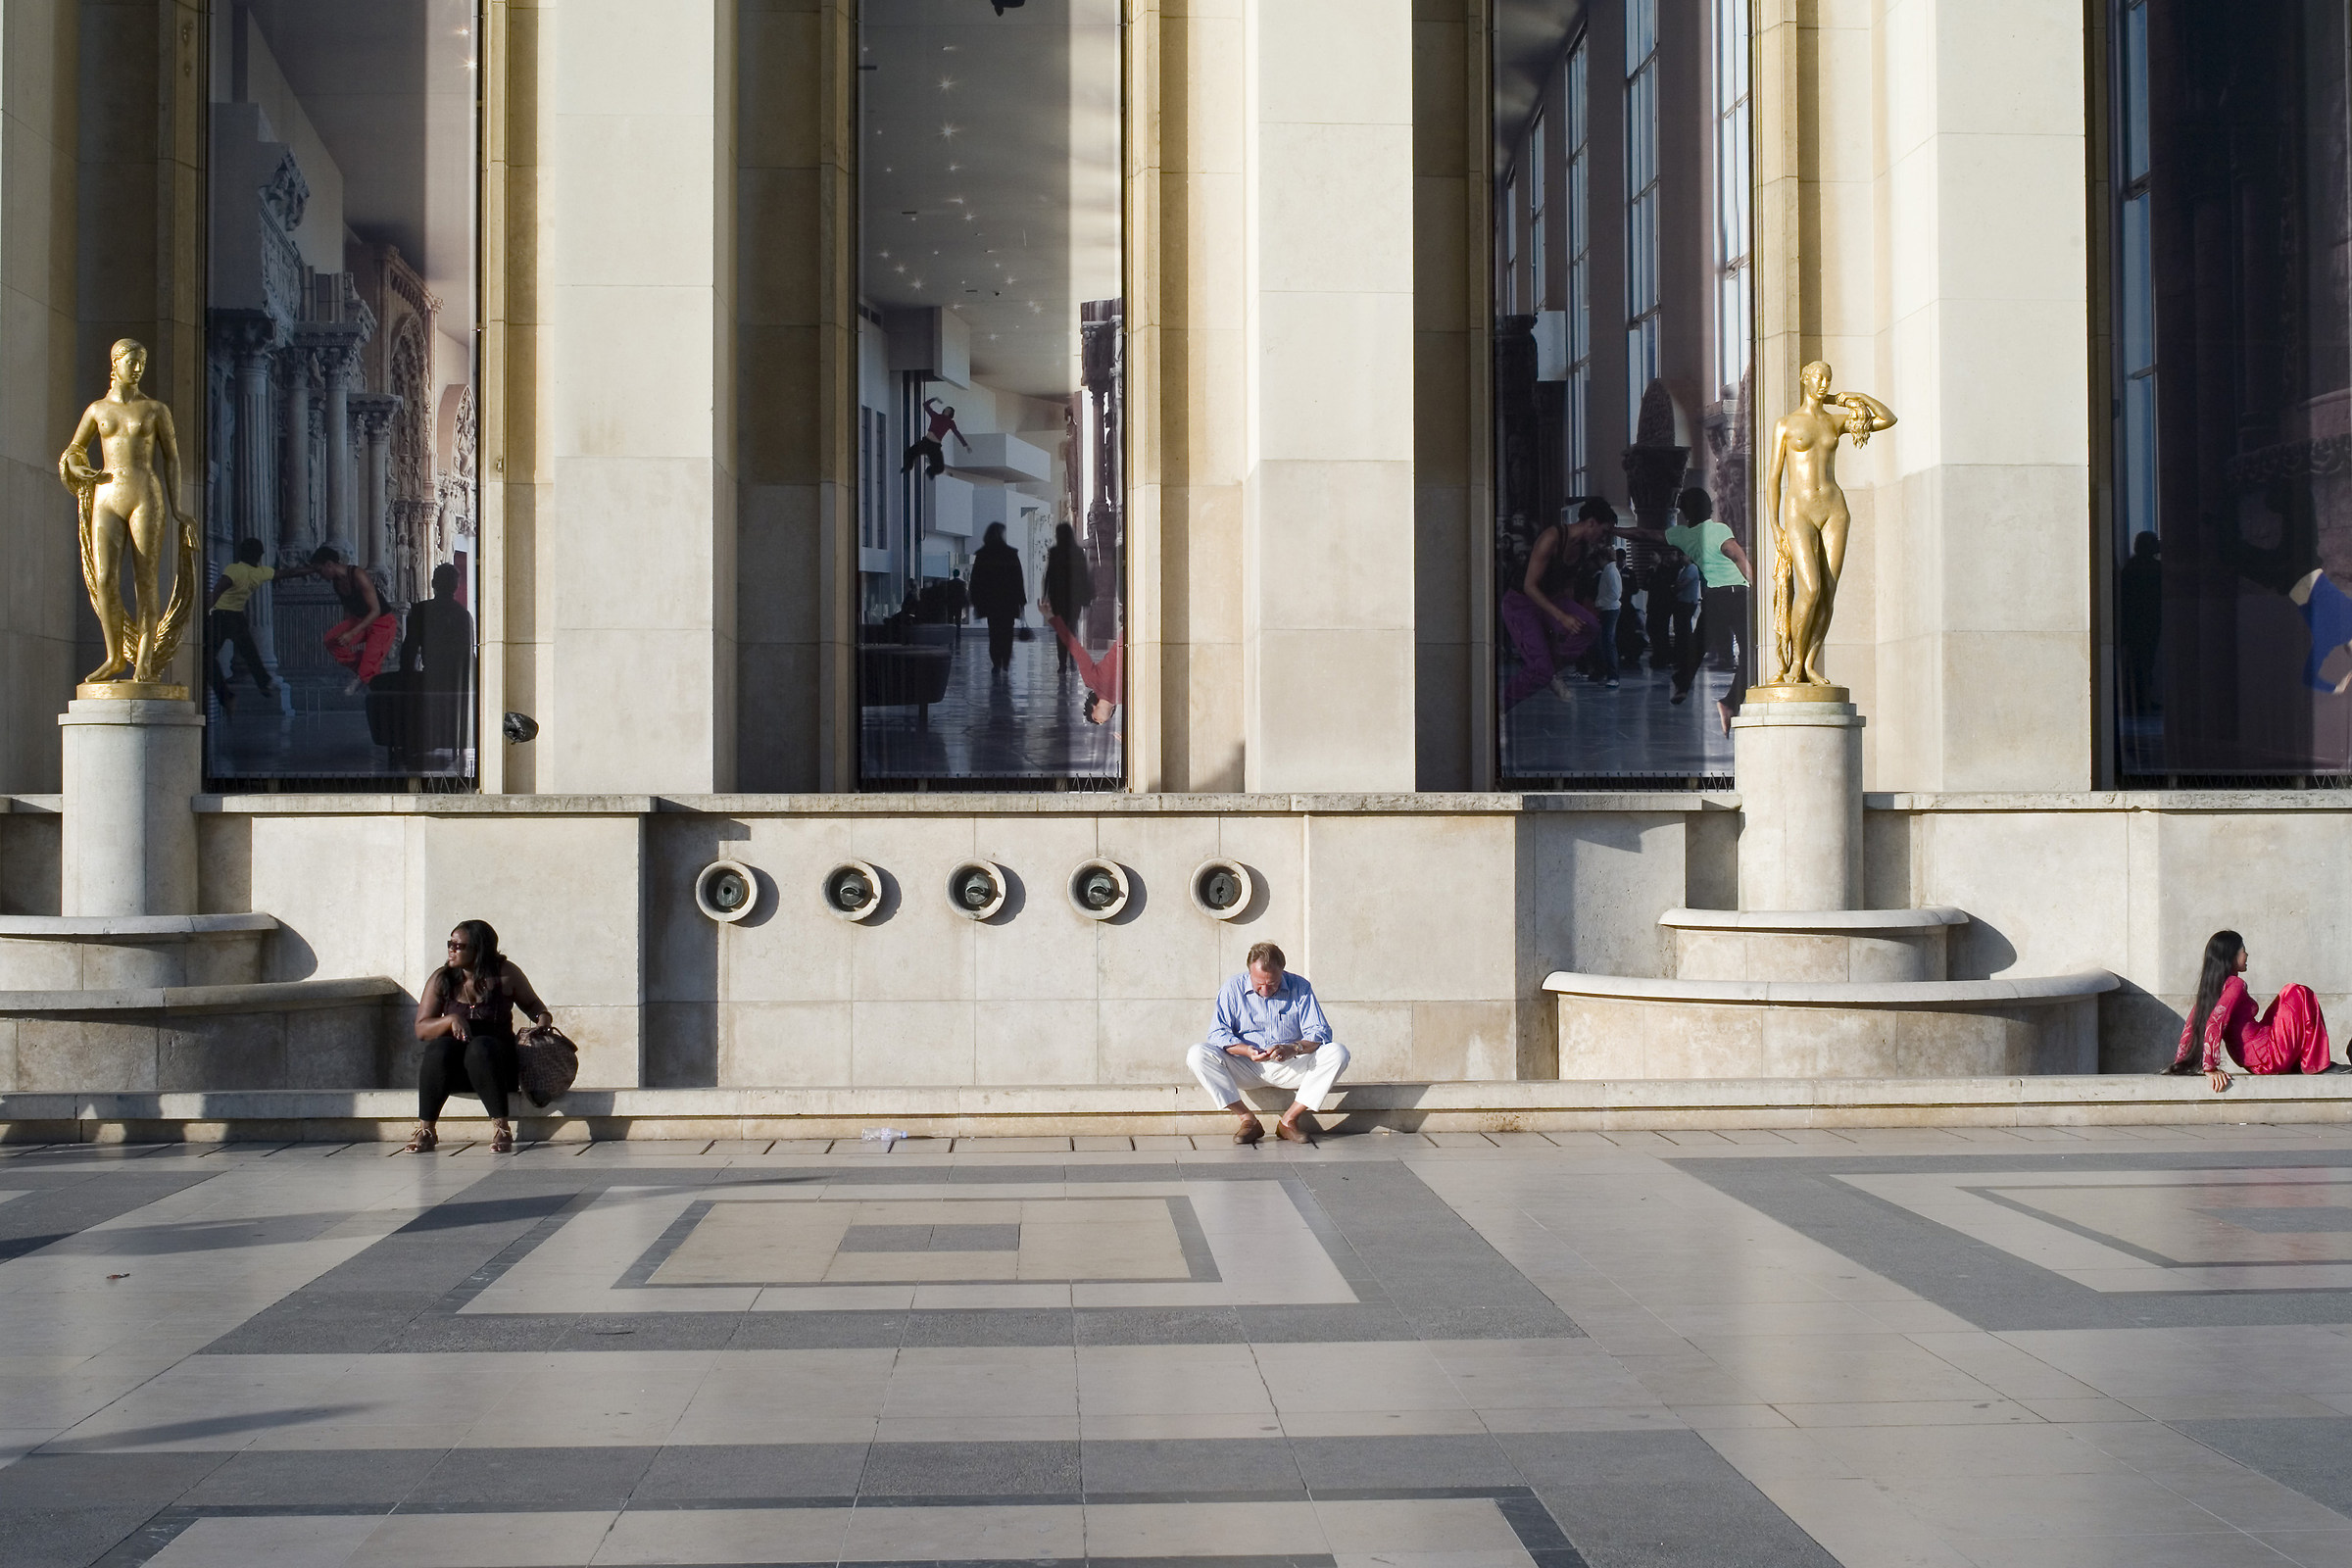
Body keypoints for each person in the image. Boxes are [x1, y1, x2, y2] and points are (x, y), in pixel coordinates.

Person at [407, 919, 554, 1154]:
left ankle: (501, 1128)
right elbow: (422, 1029)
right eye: (450, 944)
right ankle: (426, 1130)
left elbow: (533, 1004)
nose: (451, 950)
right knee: (440, 1047)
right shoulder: (442, 978)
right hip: (455, 1073)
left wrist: (543, 1018)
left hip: (496, 1069)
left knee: (481, 1046)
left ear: (479, 949)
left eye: (459, 946)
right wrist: (450, 1019)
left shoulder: (505, 974)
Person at [1186, 942, 1350, 1146]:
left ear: (1282, 971)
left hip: (1289, 1064)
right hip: (1245, 1065)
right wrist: (1245, 1050)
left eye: (1271, 984)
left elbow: (1320, 1032)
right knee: (1197, 1053)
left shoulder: (1301, 987)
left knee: (1338, 1053)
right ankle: (1247, 1119)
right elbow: (1218, 1033)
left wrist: (1293, 1048)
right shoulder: (1232, 987)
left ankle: (1289, 1121)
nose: (1264, 991)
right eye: (1258, 985)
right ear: (1249, 973)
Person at [2165, 929, 2343, 1091]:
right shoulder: (2235, 984)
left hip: (2255, 1058)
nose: (2247, 954)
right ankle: (2317, 1063)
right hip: (2268, 1055)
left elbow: (2192, 1024)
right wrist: (2210, 1067)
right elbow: (2215, 1020)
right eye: (2243, 950)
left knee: (2285, 995)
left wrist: (2180, 1061)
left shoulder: (2214, 987)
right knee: (2298, 991)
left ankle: (2302, 1060)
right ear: (2231, 957)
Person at [1663, 488, 1756, 735]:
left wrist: (1614, 530)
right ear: (1709, 510)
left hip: (1714, 598)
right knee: (1750, 654)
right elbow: (1736, 555)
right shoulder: (1719, 529)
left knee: (1697, 645)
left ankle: (1682, 683)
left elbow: (1643, 533)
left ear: (1684, 513)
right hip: (1737, 595)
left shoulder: (1682, 535)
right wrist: (1758, 586)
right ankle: (1729, 703)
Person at [1501, 500, 1611, 708]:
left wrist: (1568, 617)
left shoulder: (1585, 547)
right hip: (1522, 601)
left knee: (1590, 626)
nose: (1604, 538)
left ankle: (1551, 670)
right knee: (1541, 670)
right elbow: (1529, 586)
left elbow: (1567, 586)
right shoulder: (1551, 537)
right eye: (1603, 531)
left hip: (1553, 598)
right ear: (1591, 523)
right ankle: (1500, 708)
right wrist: (1561, 617)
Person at [397, 564, 474, 758]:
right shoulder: (463, 615)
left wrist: (406, 674)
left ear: (433, 583)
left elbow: (410, 648)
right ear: (456, 587)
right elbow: (468, 654)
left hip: (431, 675)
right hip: (455, 682)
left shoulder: (422, 610)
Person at [207, 537, 285, 710]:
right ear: (258, 556)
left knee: (207, 657)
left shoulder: (235, 569)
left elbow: (218, 589)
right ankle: (264, 682)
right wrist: (310, 569)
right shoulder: (260, 572)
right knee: (250, 653)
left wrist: (205, 610)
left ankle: (226, 696)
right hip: (238, 618)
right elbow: (285, 574)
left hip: (221, 617)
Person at [311, 545, 395, 695]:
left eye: (320, 570)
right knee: (331, 640)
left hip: (382, 622)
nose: (320, 575)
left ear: (329, 565)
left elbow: (376, 611)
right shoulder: (336, 582)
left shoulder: (358, 574)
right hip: (360, 620)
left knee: (366, 671)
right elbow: (348, 608)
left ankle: (366, 672)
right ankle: (368, 665)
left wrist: (351, 633)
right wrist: (346, 630)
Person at [1039, 595, 1120, 725]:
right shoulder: (1128, 698)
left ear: (1093, 707)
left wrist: (1051, 618)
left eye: (1095, 719)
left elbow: (1075, 649)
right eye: (1099, 722)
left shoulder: (1092, 680)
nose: (1100, 723)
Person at [967, 521, 1027, 675]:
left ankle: (996, 662)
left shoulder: (983, 555)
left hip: (991, 602)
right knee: (1007, 632)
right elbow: (1017, 580)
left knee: (994, 633)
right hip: (1008, 601)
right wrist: (1021, 601)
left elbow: (976, 580)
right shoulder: (1010, 554)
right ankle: (1005, 660)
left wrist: (975, 599)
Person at [2119, 532, 2162, 711]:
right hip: (2146, 624)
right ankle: (2140, 700)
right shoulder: (2153, 568)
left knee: (2136, 663)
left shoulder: (2130, 567)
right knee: (2143, 663)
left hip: (2135, 624)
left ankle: (2137, 700)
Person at [1045, 522, 1094, 676]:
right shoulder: (1078, 552)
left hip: (1058, 597)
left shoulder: (1054, 552)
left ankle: (1062, 663)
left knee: (1061, 631)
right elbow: (1084, 575)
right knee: (1072, 629)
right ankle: (1072, 658)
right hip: (1074, 597)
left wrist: (1046, 593)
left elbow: (1049, 575)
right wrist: (1086, 595)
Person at [902, 397, 970, 478]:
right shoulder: (936, 416)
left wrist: (965, 445)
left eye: (949, 411)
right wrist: (934, 399)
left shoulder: (950, 422)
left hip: (935, 446)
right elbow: (925, 405)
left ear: (951, 413)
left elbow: (957, 433)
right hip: (926, 442)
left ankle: (929, 471)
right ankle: (908, 467)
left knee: (940, 468)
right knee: (908, 453)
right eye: (946, 409)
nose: (946, 411)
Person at [1592, 550, 1623, 689]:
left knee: (1609, 643)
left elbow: (1615, 593)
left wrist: (1599, 603)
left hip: (1610, 609)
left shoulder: (1610, 571)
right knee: (1606, 642)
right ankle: (1609, 674)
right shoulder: (1608, 570)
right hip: (1606, 609)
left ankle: (1613, 676)